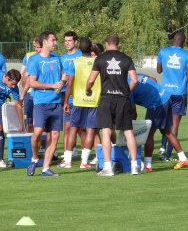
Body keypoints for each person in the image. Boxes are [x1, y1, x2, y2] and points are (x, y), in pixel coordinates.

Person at [86, 33, 140, 176]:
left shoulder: (100, 58)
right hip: (123, 99)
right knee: (128, 132)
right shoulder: (127, 59)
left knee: (106, 131)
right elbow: (134, 80)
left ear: (106, 43)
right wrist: (126, 92)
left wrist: (87, 89)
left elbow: (91, 80)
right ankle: (135, 166)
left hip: (106, 99)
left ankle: (108, 167)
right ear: (119, 44)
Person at [129, 73, 188, 171]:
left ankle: (148, 166)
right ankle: (183, 158)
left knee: (148, 134)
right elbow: (153, 78)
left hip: (156, 104)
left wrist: (130, 128)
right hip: (165, 96)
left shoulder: (127, 86)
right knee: (166, 132)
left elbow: (133, 113)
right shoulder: (134, 75)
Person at [59, 38, 101, 169]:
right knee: (90, 131)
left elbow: (69, 85)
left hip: (78, 101)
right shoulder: (98, 63)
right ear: (91, 49)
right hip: (94, 101)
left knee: (73, 129)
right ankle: (84, 162)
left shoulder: (75, 63)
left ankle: (67, 161)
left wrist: (66, 101)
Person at [27, 31, 64, 176]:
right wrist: (52, 86)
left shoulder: (56, 58)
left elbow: (61, 77)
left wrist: (64, 79)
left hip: (56, 103)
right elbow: (32, 82)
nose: (55, 43)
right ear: (45, 42)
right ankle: (35, 158)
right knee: (37, 132)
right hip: (41, 103)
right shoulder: (34, 60)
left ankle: (45, 168)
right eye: (53, 40)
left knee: (54, 135)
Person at [156, 32, 188, 161]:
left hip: (165, 92)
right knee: (175, 125)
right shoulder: (187, 55)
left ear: (173, 40)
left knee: (165, 122)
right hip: (180, 92)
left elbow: (159, 70)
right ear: (183, 43)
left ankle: (162, 147)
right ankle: (168, 155)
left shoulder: (163, 51)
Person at [60, 31, 82, 158]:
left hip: (79, 96)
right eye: (65, 41)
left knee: (81, 128)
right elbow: (61, 79)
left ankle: (86, 152)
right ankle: (68, 153)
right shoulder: (62, 58)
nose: (67, 43)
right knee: (67, 126)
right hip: (66, 96)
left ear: (75, 42)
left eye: (70, 40)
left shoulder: (81, 56)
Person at [19, 35, 41, 133]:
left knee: (40, 119)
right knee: (28, 116)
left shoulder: (52, 58)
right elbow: (24, 75)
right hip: (29, 92)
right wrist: (22, 90)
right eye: (34, 47)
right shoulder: (30, 57)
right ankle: (30, 138)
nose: (36, 49)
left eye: (37, 47)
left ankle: (41, 143)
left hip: (40, 93)